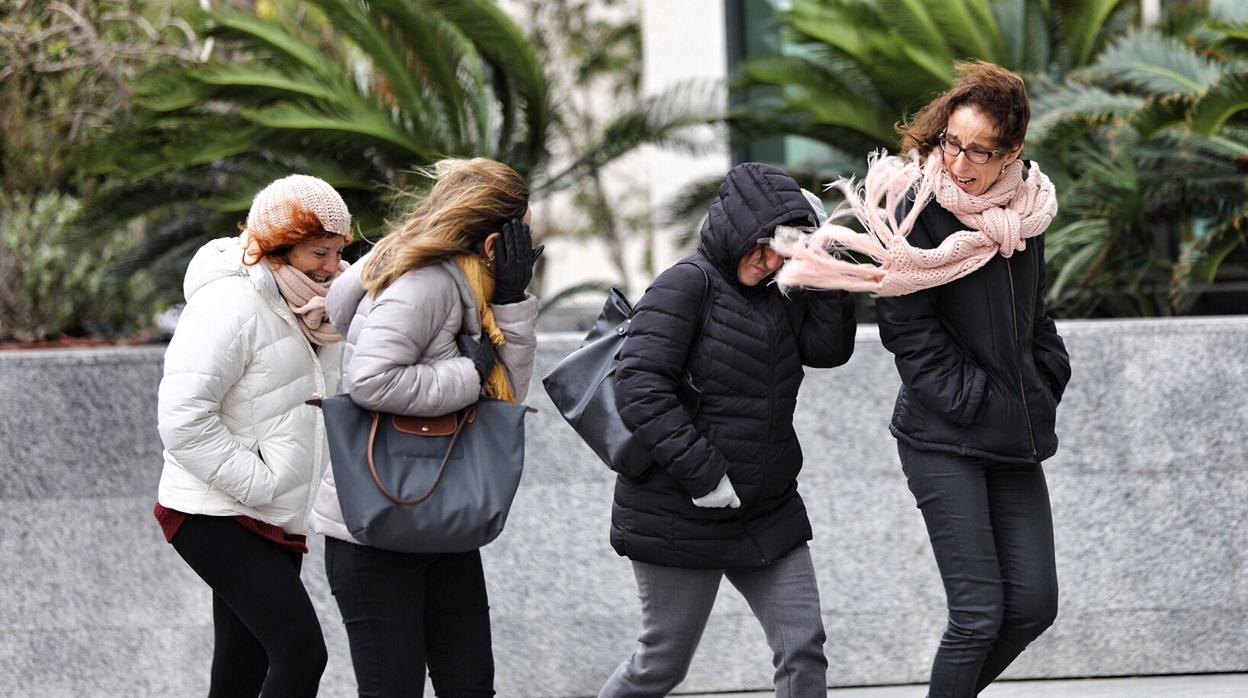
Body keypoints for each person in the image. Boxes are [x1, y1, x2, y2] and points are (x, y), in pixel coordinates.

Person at [774, 61, 1070, 697]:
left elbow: (1034, 311)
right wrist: (975, 399)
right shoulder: (915, 210)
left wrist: (1046, 372)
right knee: (978, 615)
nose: (960, 163)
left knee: (1034, 605)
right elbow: (909, 333)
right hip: (944, 437)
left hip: (1013, 432)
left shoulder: (1025, 213)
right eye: (952, 143)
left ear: (1012, 152)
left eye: (981, 151)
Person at [600, 163, 857, 697]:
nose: (767, 263)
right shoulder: (684, 284)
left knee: (802, 647)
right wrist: (704, 475)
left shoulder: (781, 289)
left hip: (767, 508)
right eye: (759, 247)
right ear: (732, 230)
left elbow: (829, 351)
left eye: (780, 251)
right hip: (681, 508)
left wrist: (821, 261)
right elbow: (639, 388)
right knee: (661, 665)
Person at [308, 157, 540, 697]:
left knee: (470, 686)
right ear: (493, 238)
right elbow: (371, 381)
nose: (528, 243)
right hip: (380, 530)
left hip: (440, 519)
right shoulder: (427, 284)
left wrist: (509, 302)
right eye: (523, 228)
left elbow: (508, 391)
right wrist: (469, 370)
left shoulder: (475, 289)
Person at [155, 174, 353, 697]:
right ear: (277, 248)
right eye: (319, 253)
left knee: (242, 668)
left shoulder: (317, 311)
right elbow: (182, 418)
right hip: (212, 512)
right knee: (301, 652)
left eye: (338, 251)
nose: (334, 268)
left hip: (270, 512)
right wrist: (262, 483)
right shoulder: (230, 304)